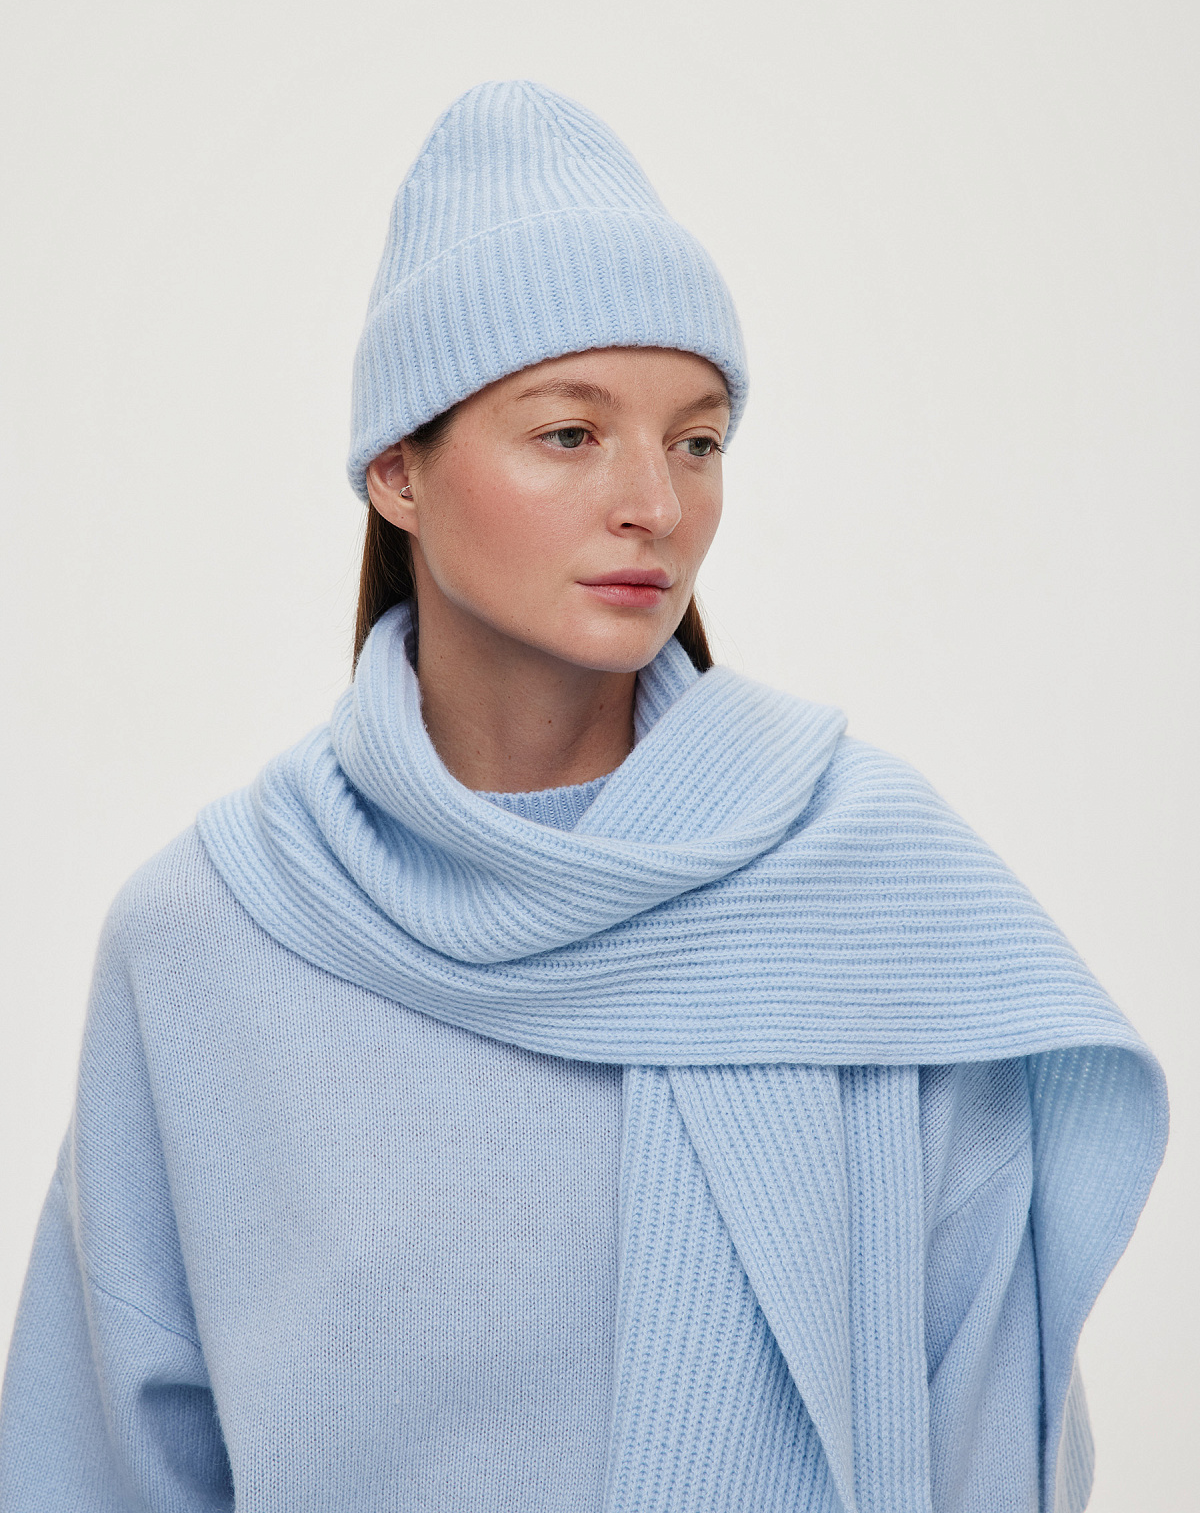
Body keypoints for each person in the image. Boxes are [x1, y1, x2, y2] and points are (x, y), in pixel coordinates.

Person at [0, 81, 1167, 1513]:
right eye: (570, 434)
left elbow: (987, 1432)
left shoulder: (872, 897)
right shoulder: (209, 942)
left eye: (697, 440)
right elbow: (99, 1466)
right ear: (398, 471)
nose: (656, 506)